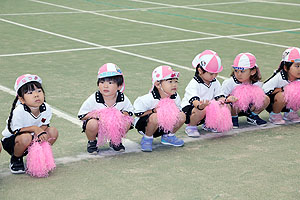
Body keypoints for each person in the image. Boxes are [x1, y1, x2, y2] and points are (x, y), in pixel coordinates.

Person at [1, 74, 58, 174]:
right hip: (13, 140)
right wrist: (35, 129)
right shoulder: (19, 111)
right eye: (30, 93)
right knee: (26, 137)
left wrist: (39, 132)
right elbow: (15, 130)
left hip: (33, 136)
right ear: (21, 99)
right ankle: (16, 159)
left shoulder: (46, 108)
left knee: (53, 131)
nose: (36, 95)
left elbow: (45, 124)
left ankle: (34, 158)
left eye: (39, 91)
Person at [78, 63, 134, 154]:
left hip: (114, 127)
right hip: (99, 127)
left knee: (127, 121)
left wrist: (121, 114)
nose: (105, 86)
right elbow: (81, 115)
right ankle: (92, 142)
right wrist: (95, 115)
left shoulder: (122, 98)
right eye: (102, 82)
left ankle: (115, 141)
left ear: (119, 86)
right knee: (92, 123)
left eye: (110, 82)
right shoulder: (94, 98)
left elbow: (130, 112)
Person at [133, 65, 185, 152]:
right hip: (146, 126)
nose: (174, 84)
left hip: (164, 125)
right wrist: (153, 111)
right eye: (170, 81)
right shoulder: (149, 98)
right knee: (156, 117)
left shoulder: (175, 96)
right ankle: (147, 139)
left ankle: (168, 136)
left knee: (182, 115)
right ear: (158, 84)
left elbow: (178, 110)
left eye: (176, 81)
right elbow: (138, 113)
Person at [181, 50, 230, 137]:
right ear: (200, 70)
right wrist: (201, 105)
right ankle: (191, 127)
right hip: (192, 109)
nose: (214, 76)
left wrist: (226, 100)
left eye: (216, 73)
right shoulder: (194, 83)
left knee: (224, 106)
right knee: (200, 110)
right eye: (211, 74)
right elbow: (194, 101)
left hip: (206, 107)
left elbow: (219, 96)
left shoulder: (214, 81)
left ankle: (209, 124)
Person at [222, 53, 269, 128]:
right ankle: (233, 118)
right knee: (236, 100)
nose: (238, 74)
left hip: (249, 108)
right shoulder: (229, 83)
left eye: (242, 71)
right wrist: (228, 99)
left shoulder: (257, 83)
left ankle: (253, 116)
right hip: (234, 109)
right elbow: (221, 98)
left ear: (252, 71)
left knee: (265, 98)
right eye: (236, 70)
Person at [263, 47, 300, 124]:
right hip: (273, 102)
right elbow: (264, 90)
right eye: (297, 66)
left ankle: (290, 112)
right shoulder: (279, 77)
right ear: (286, 67)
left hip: (289, 102)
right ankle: (275, 115)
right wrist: (281, 89)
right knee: (282, 95)